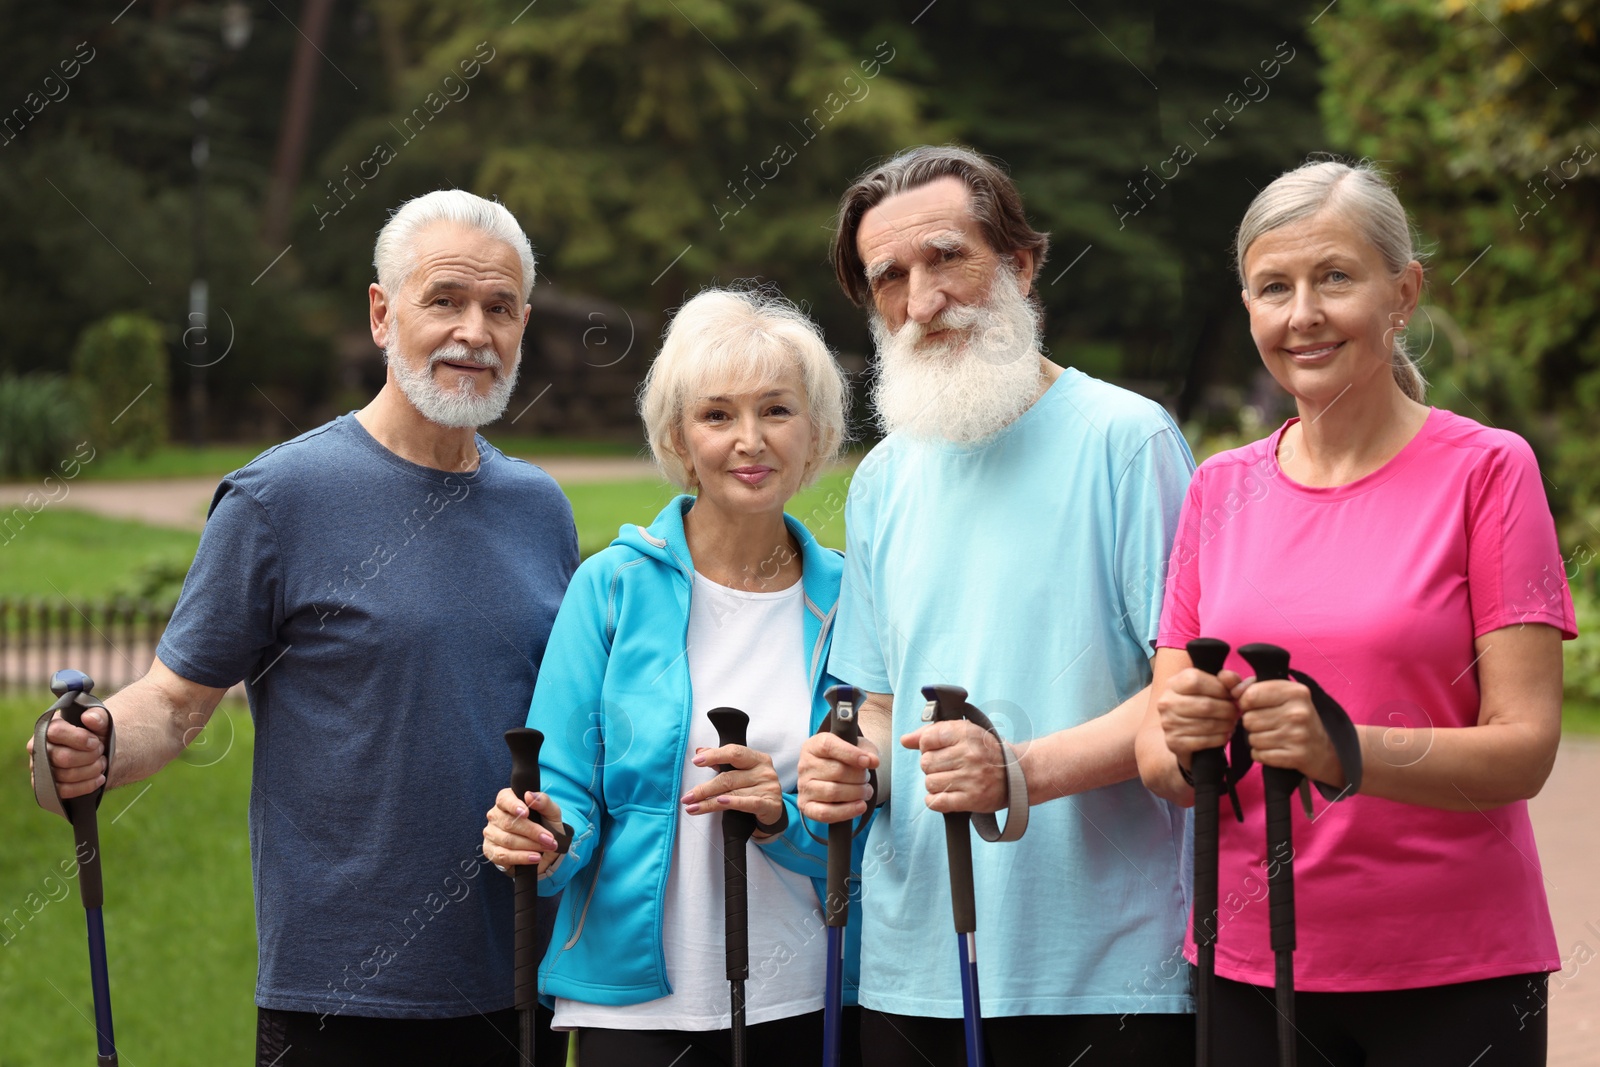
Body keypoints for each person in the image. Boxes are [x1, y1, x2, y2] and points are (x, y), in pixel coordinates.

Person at [29, 190, 579, 1067]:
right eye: (445, 299)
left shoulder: (540, 510)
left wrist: (564, 822)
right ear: (380, 313)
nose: (475, 330)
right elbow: (174, 704)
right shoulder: (278, 499)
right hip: (338, 994)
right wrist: (88, 741)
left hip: (519, 980)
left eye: (500, 307)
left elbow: (565, 735)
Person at [1138, 159, 1573, 1066]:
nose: (1303, 314)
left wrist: (1340, 746)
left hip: (1455, 972)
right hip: (1250, 965)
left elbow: (1524, 749)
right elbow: (1163, 758)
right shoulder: (1220, 488)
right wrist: (1186, 736)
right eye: (1274, 287)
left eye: (1335, 277)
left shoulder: (1487, 472)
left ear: (1402, 292)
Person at [796, 144, 1198, 1065]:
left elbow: (1182, 700)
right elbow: (881, 704)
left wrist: (1014, 769)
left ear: (1019, 263)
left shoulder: (1127, 442)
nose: (922, 298)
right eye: (888, 277)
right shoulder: (885, 476)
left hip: (1106, 969)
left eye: (946, 257)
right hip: (914, 968)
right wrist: (847, 764)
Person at [481, 286, 862, 1067]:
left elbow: (869, 809)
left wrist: (780, 814)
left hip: (813, 993)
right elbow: (565, 788)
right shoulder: (613, 586)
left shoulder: (853, 598)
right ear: (681, 438)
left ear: (816, 432)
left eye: (777, 411)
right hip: (637, 1004)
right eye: (718, 414)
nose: (749, 440)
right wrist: (545, 833)